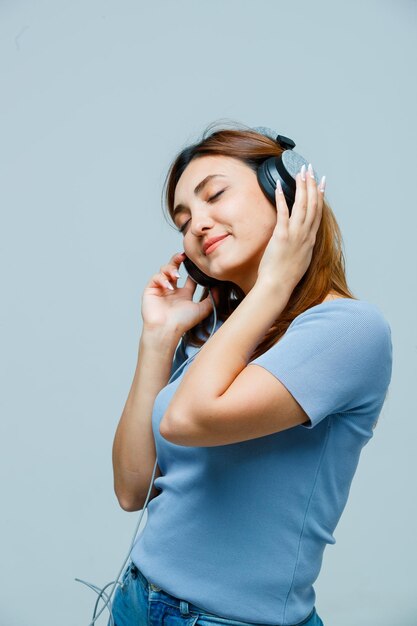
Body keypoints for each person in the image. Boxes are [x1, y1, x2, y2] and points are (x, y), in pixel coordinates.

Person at [109, 125, 393, 626]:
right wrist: (158, 338)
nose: (197, 224)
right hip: (139, 597)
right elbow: (133, 489)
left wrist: (277, 281)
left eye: (215, 194)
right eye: (183, 220)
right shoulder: (222, 336)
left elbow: (188, 421)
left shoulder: (349, 330)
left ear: (283, 190)